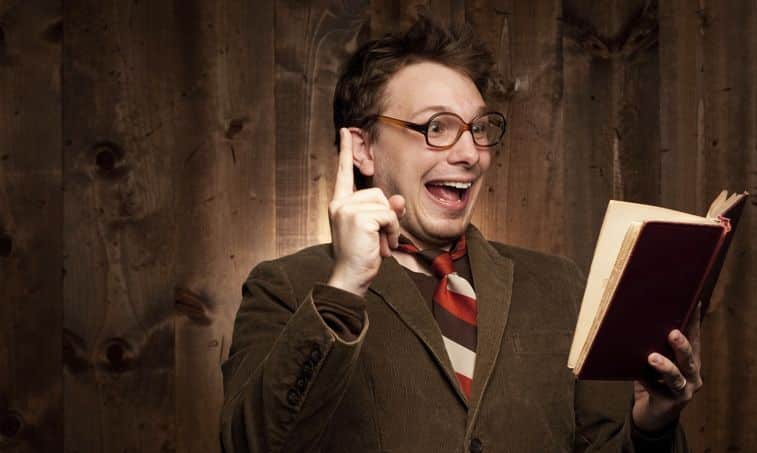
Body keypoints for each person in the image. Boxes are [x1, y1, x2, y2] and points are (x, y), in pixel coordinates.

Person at [220, 15, 701, 453]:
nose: (471, 153)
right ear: (363, 148)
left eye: (479, 128)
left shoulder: (560, 286)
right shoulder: (285, 287)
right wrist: (345, 286)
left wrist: (652, 426)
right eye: (437, 127)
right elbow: (253, 445)